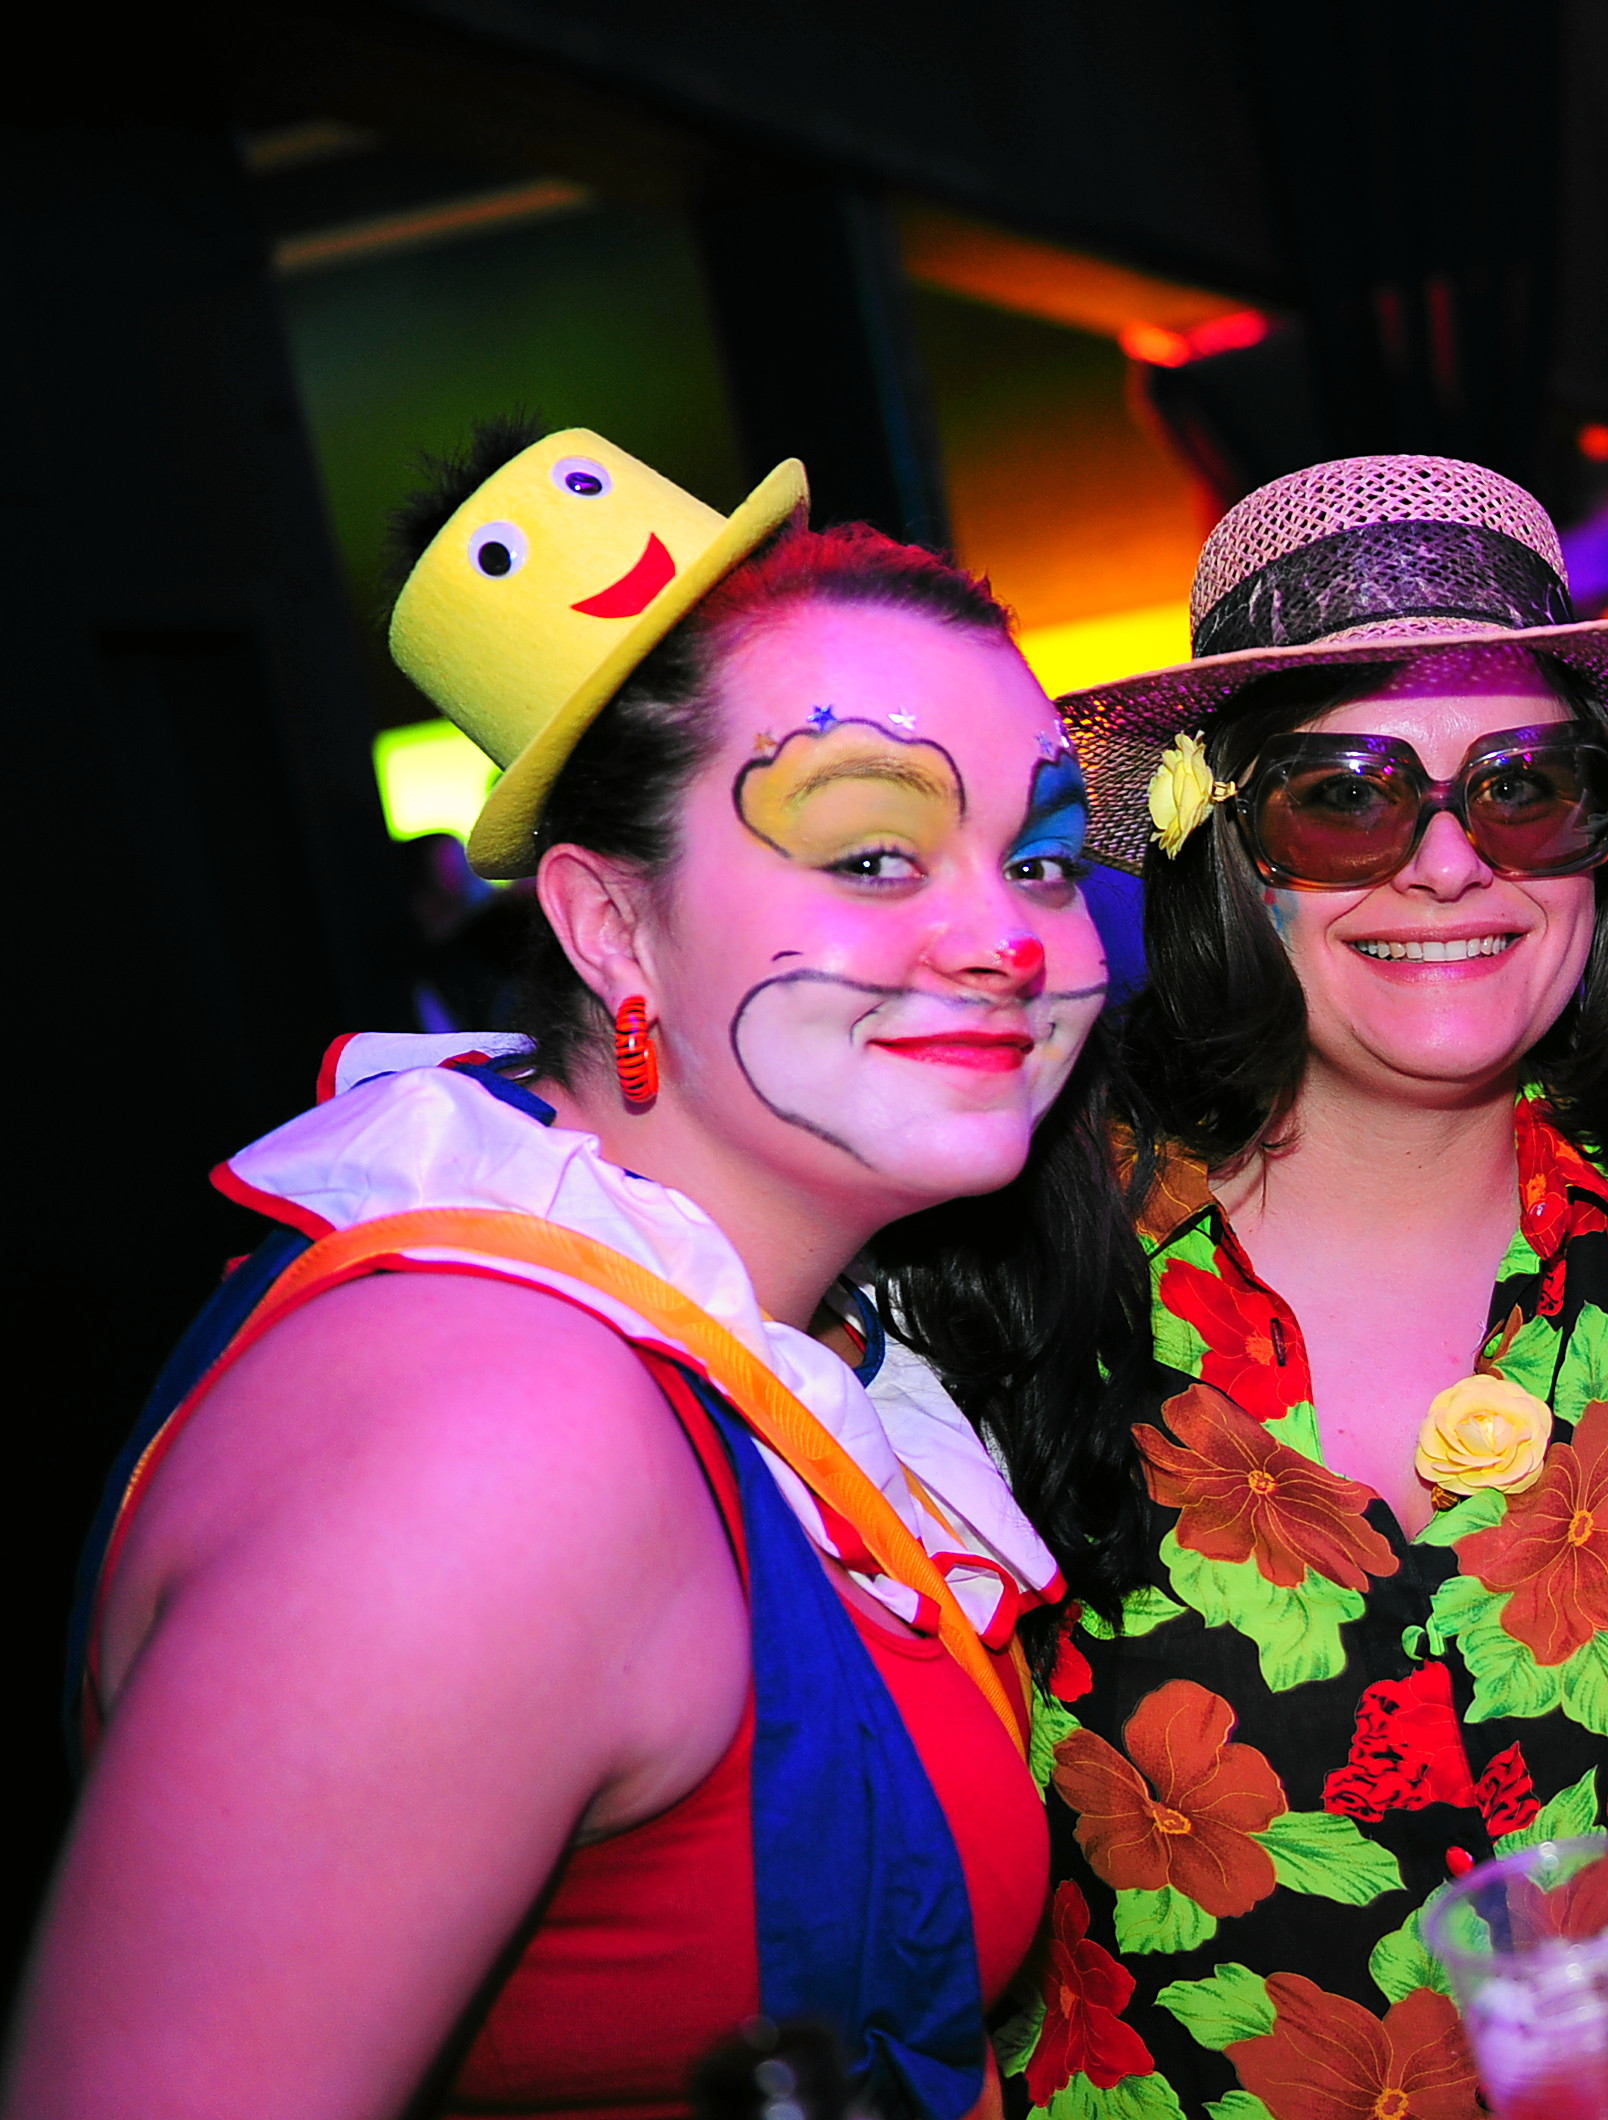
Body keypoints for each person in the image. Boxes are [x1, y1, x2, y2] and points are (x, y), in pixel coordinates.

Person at [14, 425, 1121, 2118]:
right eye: (872, 853)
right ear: (611, 927)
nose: (1006, 940)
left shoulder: (776, 1319)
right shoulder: (491, 1441)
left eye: (1038, 857)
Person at [894, 455, 1608, 2115]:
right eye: (1346, 796)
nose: (1448, 864)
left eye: (1525, 788)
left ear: (1604, 843)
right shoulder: (995, 1283)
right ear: (1223, 845)